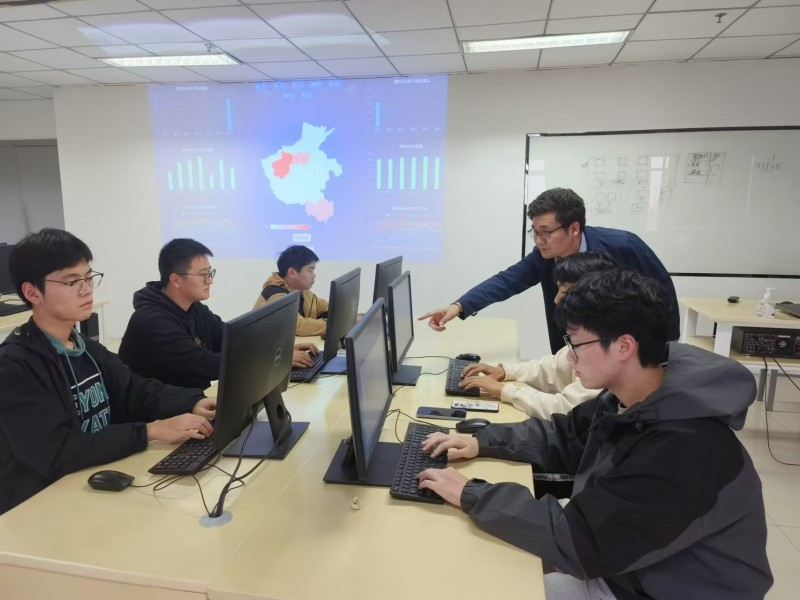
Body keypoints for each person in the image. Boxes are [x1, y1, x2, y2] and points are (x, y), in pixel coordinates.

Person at [417, 270, 772, 599]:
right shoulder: (632, 395)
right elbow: (567, 435)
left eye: (575, 344)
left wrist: (472, 493)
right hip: (627, 565)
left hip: (651, 587)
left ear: (623, 346)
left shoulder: (683, 448)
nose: (570, 358)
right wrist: (482, 441)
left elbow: (581, 541)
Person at [0, 229, 217, 515]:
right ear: (32, 292)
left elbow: (133, 389)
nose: (86, 289)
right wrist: (149, 432)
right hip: (40, 506)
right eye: (72, 281)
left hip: (88, 482)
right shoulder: (14, 366)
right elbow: (57, 449)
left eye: (88, 277)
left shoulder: (84, 346)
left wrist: (192, 402)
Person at [419, 187, 680, 353]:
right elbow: (507, 281)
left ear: (574, 228)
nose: (539, 240)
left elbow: (661, 292)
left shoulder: (624, 246)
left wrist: (665, 351)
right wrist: (459, 306)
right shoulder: (544, 257)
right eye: (535, 232)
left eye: (546, 232)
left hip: (625, 352)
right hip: (573, 352)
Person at [119, 238, 317, 390]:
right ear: (176, 280)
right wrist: (271, 357)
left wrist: (280, 348)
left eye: (210, 273)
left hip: (190, 402)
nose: (210, 281)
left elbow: (231, 338)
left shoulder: (194, 308)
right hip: (159, 418)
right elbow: (204, 364)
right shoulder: (151, 321)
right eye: (203, 275)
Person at [459, 252, 617, 419]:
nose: (556, 300)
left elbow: (568, 409)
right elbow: (555, 367)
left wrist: (504, 391)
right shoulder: (594, 332)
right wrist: (505, 371)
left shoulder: (604, 347)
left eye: (564, 292)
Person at [253, 245, 329, 336]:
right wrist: (330, 325)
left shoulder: (302, 291)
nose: (314, 276)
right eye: (310, 270)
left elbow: (324, 307)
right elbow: (298, 326)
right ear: (292, 272)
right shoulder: (275, 293)